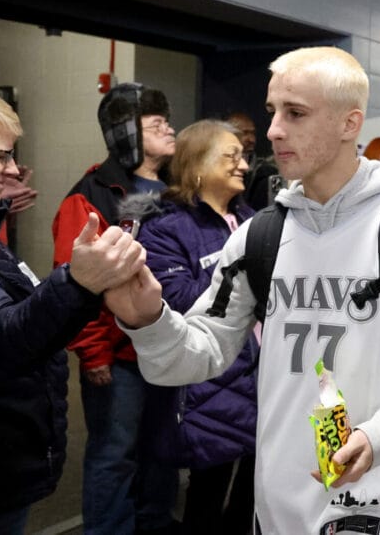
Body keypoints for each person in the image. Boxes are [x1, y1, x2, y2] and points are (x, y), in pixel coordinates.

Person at [102, 47, 380, 532]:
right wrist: (148, 320)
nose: (274, 130)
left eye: (295, 113)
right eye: (272, 112)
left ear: (350, 123)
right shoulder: (257, 236)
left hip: (379, 496)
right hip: (277, 501)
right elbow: (202, 351)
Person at [0, 91, 149, 534]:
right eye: (1, 155)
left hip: (2, 468)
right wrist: (79, 283)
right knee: (113, 456)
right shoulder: (90, 193)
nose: (15, 168)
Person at [51, 83, 180, 534]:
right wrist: (93, 351)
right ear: (126, 132)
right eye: (156, 123)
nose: (170, 129)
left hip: (167, 348)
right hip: (118, 355)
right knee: (114, 454)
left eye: (168, 121)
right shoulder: (91, 194)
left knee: (162, 450)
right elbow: (73, 280)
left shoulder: (176, 190)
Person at [119, 120, 258, 534]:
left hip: (262, 374)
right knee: (207, 495)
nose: (244, 166)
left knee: (254, 495)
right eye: (231, 156)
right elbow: (177, 301)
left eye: (243, 156)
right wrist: (245, 276)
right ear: (196, 165)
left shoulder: (254, 220)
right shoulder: (166, 227)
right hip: (210, 378)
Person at [227, 111, 281, 210]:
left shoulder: (265, 172)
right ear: (229, 134)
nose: (251, 139)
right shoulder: (218, 167)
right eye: (245, 133)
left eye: (253, 133)